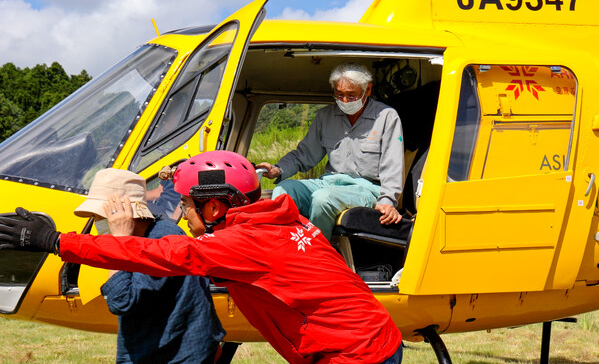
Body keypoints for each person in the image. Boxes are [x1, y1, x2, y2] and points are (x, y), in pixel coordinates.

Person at [0, 151, 403, 364]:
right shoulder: (278, 217)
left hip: (353, 355)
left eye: (189, 205)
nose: (182, 213)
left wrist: (52, 240)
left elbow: (154, 255)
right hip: (372, 340)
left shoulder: (240, 242)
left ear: (214, 209)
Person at [73, 168, 224, 364]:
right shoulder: (141, 236)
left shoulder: (162, 240)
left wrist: (120, 240)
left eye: (103, 216)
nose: (98, 223)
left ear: (126, 213)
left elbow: (121, 300)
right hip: (153, 348)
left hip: (182, 355)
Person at [257, 62, 405, 240]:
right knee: (284, 191)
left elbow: (393, 165)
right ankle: (284, 248)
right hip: (329, 183)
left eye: (351, 95)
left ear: (367, 90)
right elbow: (304, 155)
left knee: (323, 199)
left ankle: (316, 256)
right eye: (339, 94)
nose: (344, 101)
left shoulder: (386, 116)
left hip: (366, 188)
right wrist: (277, 169)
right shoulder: (325, 116)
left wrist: (388, 201)